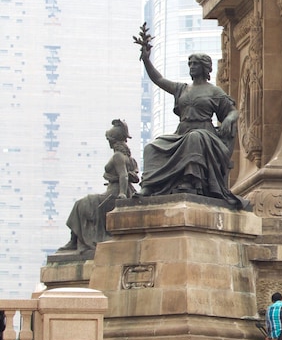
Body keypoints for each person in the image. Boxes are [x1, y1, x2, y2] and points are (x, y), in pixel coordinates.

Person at [135, 27, 246, 209]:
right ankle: (148, 186)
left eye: (195, 64)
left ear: (204, 67)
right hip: (181, 133)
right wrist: (146, 59)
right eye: (190, 64)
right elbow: (159, 79)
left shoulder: (213, 91)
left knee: (194, 138)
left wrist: (228, 120)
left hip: (205, 134)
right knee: (152, 147)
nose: (191, 67)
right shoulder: (182, 89)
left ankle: (191, 180)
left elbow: (233, 111)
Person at [57, 120, 138, 253]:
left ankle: (74, 241)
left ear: (114, 140)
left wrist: (122, 194)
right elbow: (134, 176)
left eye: (109, 139)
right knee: (83, 203)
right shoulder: (130, 159)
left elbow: (123, 176)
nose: (109, 142)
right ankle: (74, 241)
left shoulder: (118, 156)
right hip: (120, 191)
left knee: (80, 204)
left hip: (113, 193)